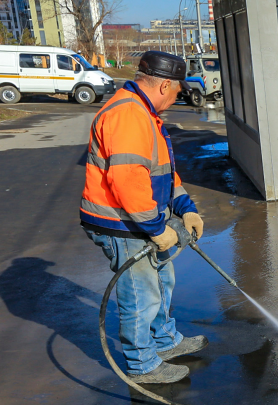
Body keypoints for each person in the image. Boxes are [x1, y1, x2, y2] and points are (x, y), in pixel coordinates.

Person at [80, 51, 206, 384]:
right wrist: (154, 227)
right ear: (165, 84)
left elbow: (162, 174)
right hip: (122, 222)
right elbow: (127, 181)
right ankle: (142, 364)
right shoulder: (129, 115)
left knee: (161, 281)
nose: (178, 96)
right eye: (177, 90)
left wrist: (185, 208)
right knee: (140, 292)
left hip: (139, 217)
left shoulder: (144, 114)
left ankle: (164, 343)